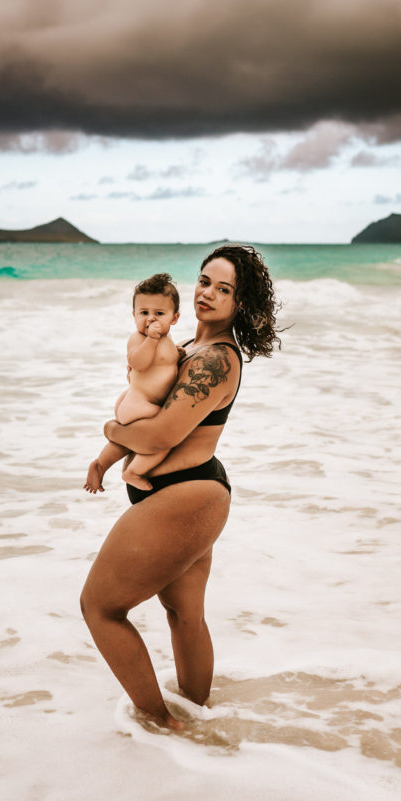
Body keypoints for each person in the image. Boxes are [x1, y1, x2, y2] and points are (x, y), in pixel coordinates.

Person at [81, 244, 282, 730]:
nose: (207, 293)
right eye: (204, 281)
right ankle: (199, 718)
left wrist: (111, 430)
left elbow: (159, 436)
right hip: (195, 493)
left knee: (100, 607)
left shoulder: (216, 359)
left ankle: (161, 723)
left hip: (186, 496)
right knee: (184, 614)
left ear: (239, 302)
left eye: (224, 289)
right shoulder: (187, 347)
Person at [92, 272, 182, 492]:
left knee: (125, 442)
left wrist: (176, 354)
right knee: (163, 440)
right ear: (134, 315)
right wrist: (151, 339)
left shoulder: (166, 339)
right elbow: (138, 363)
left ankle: (100, 465)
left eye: (159, 313)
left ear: (174, 318)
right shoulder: (139, 338)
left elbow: (163, 362)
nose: (150, 319)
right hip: (139, 403)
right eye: (144, 312)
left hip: (137, 402)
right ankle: (133, 472)